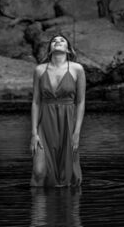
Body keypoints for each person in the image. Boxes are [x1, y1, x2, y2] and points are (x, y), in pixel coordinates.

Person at [30, 32, 85, 187]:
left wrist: (77, 133)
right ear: (50, 49)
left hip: (68, 123)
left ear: (68, 49)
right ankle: (37, 207)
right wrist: (34, 133)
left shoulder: (77, 69)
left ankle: (64, 206)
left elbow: (80, 102)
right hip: (45, 123)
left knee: (67, 174)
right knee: (39, 171)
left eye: (62, 40)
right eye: (54, 41)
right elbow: (35, 102)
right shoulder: (40, 70)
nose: (58, 42)